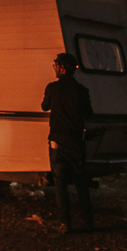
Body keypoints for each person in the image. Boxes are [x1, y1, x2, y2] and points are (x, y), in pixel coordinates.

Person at [41, 52, 94, 233]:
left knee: (60, 184)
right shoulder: (82, 90)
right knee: (81, 182)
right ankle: (88, 221)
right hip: (76, 142)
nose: (55, 68)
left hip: (57, 142)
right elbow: (88, 114)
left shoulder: (52, 88)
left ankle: (66, 223)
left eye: (56, 65)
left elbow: (44, 106)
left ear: (62, 68)